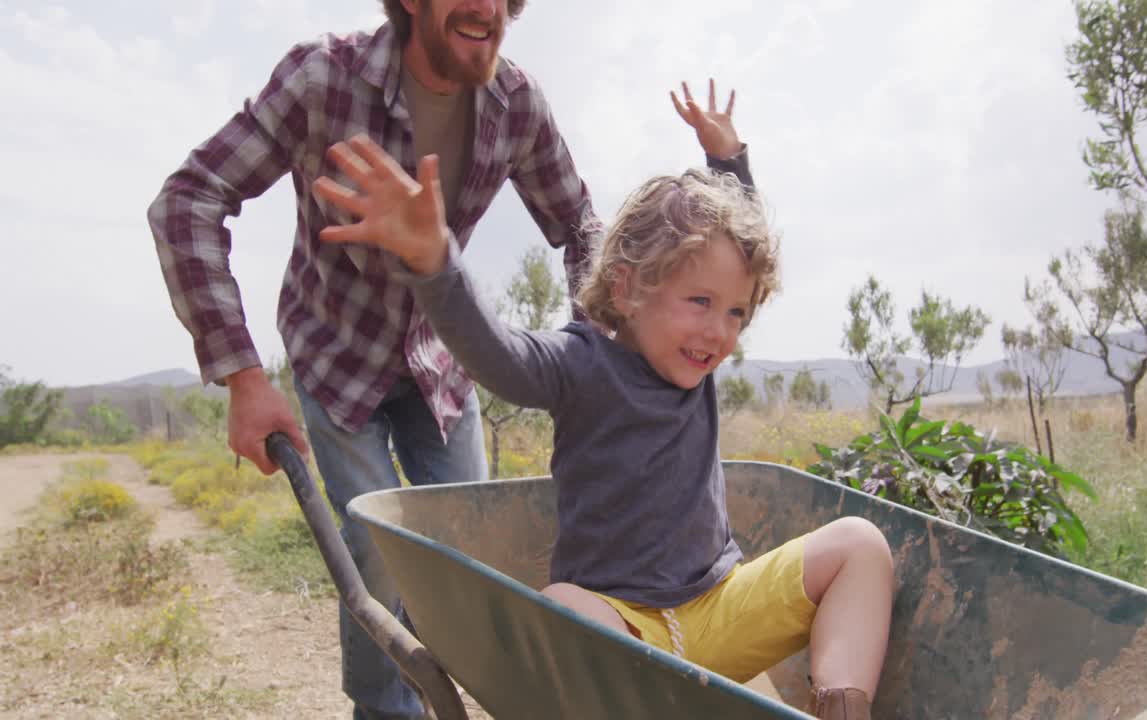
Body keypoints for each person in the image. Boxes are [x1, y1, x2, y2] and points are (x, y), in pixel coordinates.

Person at [146, 0, 745, 714]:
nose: (487, 7)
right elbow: (189, 198)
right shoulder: (323, 79)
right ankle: (385, 710)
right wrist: (242, 375)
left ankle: (468, 695)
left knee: (466, 563)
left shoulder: (515, 103)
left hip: (440, 360)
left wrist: (602, 359)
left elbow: (578, 222)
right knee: (379, 550)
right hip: (339, 354)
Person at [309, 93, 895, 720]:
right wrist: (435, 266)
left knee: (860, 545)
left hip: (721, 607)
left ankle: (840, 710)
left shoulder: (694, 368)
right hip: (621, 634)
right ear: (627, 286)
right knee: (564, 604)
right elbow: (499, 355)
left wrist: (729, 162)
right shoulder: (580, 364)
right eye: (699, 301)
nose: (719, 332)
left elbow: (735, 247)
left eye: (736, 313)